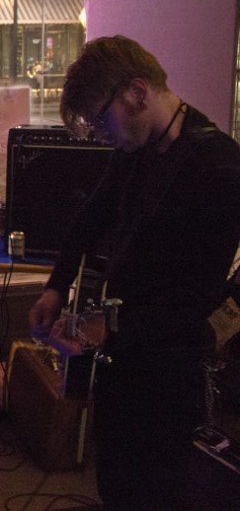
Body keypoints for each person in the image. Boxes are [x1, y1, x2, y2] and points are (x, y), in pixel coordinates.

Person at [27, 35, 240, 509]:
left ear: (138, 92)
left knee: (154, 487)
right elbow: (90, 219)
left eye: (102, 118)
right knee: (115, 481)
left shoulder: (219, 167)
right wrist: (56, 287)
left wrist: (110, 326)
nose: (103, 134)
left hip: (168, 365)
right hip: (124, 356)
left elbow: (198, 296)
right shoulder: (139, 150)